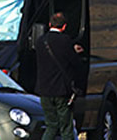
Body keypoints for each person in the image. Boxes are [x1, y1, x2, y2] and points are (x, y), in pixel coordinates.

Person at [35, 12, 83, 140]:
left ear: (50, 24)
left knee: (51, 125)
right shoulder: (66, 41)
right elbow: (74, 63)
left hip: (44, 89)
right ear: (64, 26)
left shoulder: (40, 41)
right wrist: (75, 52)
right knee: (65, 126)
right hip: (61, 90)